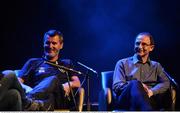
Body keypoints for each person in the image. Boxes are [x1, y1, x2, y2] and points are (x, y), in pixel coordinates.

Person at [18, 29, 81, 110]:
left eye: (54, 43)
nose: (50, 46)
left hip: (60, 99)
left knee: (53, 79)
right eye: (47, 43)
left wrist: (68, 85)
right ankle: (34, 104)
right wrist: (27, 88)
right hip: (40, 99)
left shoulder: (66, 63)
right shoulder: (33, 62)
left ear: (61, 45)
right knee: (49, 96)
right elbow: (18, 82)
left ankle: (27, 99)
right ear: (43, 44)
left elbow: (77, 82)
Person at [113, 32, 170, 111]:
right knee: (135, 83)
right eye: (137, 43)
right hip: (127, 100)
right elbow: (117, 86)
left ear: (151, 48)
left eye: (144, 44)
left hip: (149, 100)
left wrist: (151, 92)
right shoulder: (122, 63)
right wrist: (138, 86)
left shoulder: (156, 66)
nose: (140, 46)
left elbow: (166, 82)